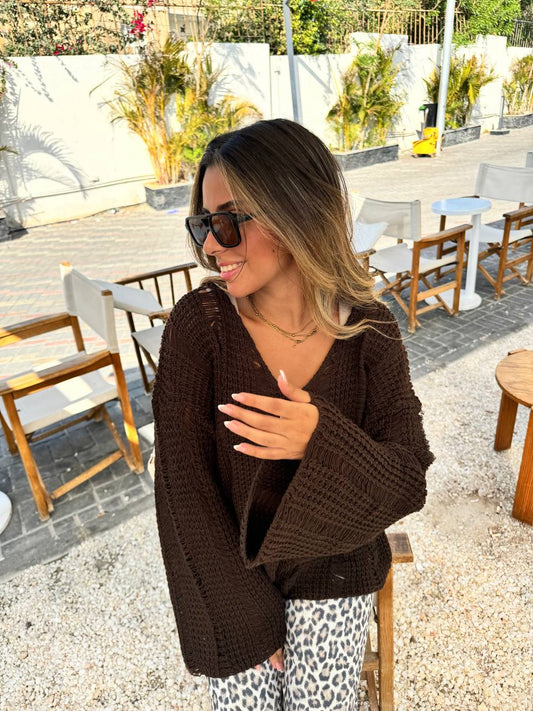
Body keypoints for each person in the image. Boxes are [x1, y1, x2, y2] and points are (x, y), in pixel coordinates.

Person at [152, 118, 434, 711]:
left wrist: (321, 439)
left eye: (227, 222)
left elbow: (409, 478)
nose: (211, 248)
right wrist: (245, 618)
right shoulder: (201, 329)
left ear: (296, 210)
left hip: (337, 570)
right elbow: (183, 491)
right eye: (203, 225)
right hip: (230, 580)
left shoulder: (371, 331)